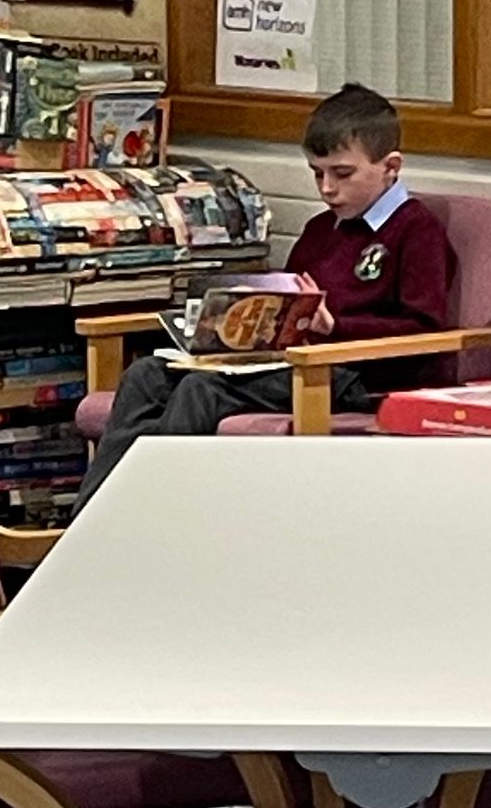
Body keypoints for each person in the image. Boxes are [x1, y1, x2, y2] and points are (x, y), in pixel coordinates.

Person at [73, 80, 455, 503]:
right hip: (286, 364)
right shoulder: (319, 231)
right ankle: (90, 518)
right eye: (317, 174)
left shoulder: (416, 231)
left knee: (202, 390)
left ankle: (164, 514)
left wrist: (336, 326)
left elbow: (424, 331)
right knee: (146, 375)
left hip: (358, 375)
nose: (327, 188)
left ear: (391, 166)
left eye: (342, 174)